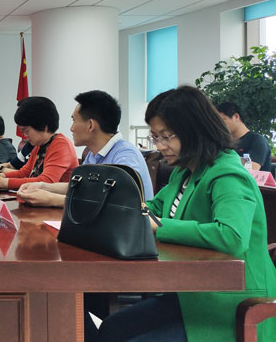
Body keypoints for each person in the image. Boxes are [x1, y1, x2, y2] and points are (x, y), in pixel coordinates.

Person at [95, 86, 276, 342]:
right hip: (194, 291)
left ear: (195, 130)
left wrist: (158, 225)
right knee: (111, 328)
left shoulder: (228, 174)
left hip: (232, 301)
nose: (160, 146)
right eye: (155, 137)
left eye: (166, 136)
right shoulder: (185, 171)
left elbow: (232, 236)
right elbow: (151, 209)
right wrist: (117, 211)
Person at [18, 90, 154, 206]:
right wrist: (43, 186)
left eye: (74, 120)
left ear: (90, 125)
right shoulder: (93, 154)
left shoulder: (125, 154)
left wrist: (53, 199)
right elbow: (80, 187)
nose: (71, 128)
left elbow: (115, 202)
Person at [0, 97, 78, 190]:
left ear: (44, 127)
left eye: (26, 131)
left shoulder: (61, 145)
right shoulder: (39, 145)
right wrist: (0, 176)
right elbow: (24, 173)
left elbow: (45, 181)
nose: (25, 136)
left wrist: (5, 182)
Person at [216, 101, 273, 172]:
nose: (219, 125)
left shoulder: (257, 141)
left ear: (236, 117)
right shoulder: (222, 143)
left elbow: (251, 170)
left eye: (222, 120)